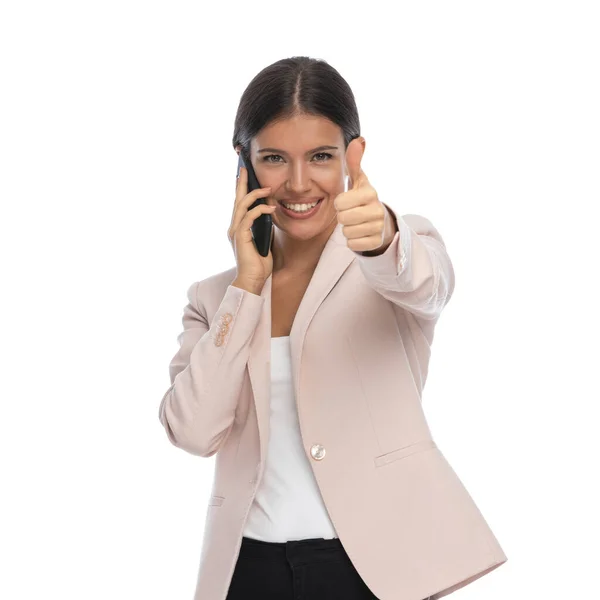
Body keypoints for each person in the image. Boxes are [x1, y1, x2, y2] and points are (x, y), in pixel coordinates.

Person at [158, 56, 507, 600]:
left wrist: (385, 235)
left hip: (371, 569)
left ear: (353, 154)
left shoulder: (395, 252)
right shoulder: (215, 298)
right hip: (248, 569)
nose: (299, 183)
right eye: (273, 158)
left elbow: (428, 283)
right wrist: (247, 285)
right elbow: (192, 431)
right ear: (243, 164)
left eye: (321, 156)